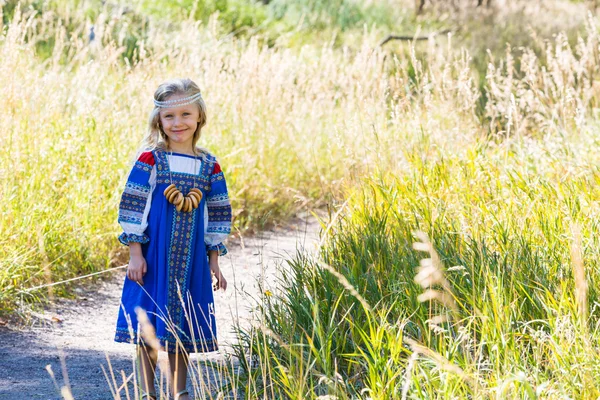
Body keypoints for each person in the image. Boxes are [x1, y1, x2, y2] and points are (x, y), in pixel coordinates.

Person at [114, 78, 232, 400]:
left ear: (199, 117)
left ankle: (180, 392)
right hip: (154, 257)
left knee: (183, 322)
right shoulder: (151, 159)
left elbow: (218, 213)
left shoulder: (209, 166)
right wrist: (135, 253)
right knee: (148, 322)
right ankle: (146, 393)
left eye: (185, 115)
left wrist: (214, 262)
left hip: (191, 259)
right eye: (169, 117)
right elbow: (133, 204)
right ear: (159, 120)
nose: (178, 123)